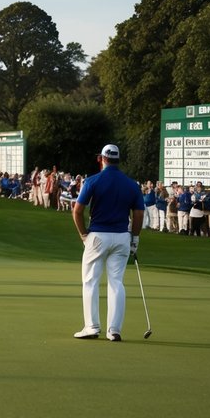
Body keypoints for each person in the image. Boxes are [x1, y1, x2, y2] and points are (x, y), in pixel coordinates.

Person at [70, 143, 144, 342]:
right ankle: (114, 330)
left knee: (90, 281)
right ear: (118, 159)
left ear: (101, 158)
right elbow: (138, 213)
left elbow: (77, 210)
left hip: (98, 236)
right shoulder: (131, 184)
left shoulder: (93, 180)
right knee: (116, 282)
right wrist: (135, 238)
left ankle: (92, 327)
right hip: (122, 237)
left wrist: (83, 235)